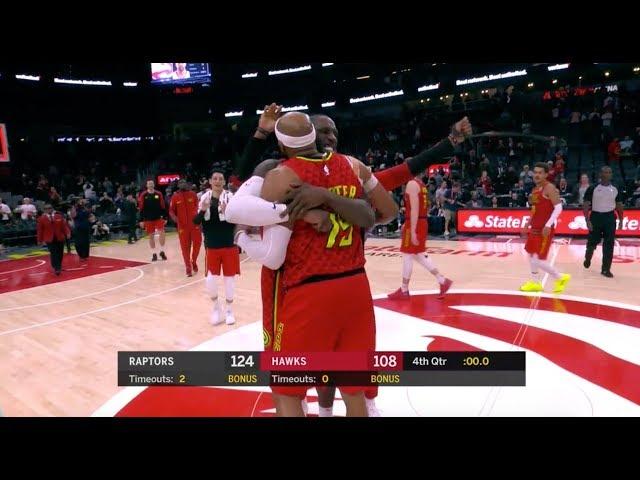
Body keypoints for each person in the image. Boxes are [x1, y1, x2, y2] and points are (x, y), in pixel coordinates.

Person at [258, 112, 377, 417]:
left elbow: (239, 217)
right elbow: (372, 215)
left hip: (310, 289)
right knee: (354, 391)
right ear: (313, 135)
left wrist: (305, 209)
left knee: (287, 389)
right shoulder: (348, 166)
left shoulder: (282, 176)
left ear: (282, 147)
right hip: (355, 287)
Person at [388, 175, 452, 300]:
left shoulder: (411, 184)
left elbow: (414, 210)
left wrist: (411, 230)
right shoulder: (421, 185)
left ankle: (404, 289)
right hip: (421, 222)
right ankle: (443, 281)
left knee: (407, 255)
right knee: (419, 254)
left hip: (415, 222)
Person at [193, 171, 239, 325]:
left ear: (224, 181)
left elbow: (235, 222)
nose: (217, 181)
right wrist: (203, 210)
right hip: (211, 246)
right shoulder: (203, 198)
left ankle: (229, 310)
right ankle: (216, 308)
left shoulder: (231, 198)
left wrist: (228, 213)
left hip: (228, 245)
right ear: (210, 181)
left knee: (229, 280)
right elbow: (195, 221)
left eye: (220, 179)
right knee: (210, 280)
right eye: (215, 178)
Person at [519, 163, 571, 293]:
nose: (536, 175)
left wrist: (548, 225)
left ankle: (560, 277)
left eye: (540, 172)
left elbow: (558, 207)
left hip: (544, 230)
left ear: (546, 174)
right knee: (531, 255)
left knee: (539, 260)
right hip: (534, 228)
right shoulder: (535, 189)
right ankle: (536, 283)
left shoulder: (550, 188)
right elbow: (534, 210)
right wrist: (527, 224)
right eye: (535, 172)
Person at [583, 166, 625, 278]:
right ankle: (588, 256)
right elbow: (586, 204)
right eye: (605, 172)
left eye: (609, 172)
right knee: (592, 241)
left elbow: (619, 205)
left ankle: (606, 269)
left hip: (610, 218)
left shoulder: (615, 188)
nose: (607, 174)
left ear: (611, 175)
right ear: (600, 174)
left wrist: (621, 220)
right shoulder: (593, 188)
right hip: (596, 217)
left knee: (609, 244)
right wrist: (587, 220)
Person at [169, 178, 202, 277]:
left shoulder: (193, 194)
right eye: (180, 183)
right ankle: (188, 267)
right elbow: (171, 210)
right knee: (185, 248)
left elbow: (198, 206)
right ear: (178, 185)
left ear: (186, 184)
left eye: (184, 182)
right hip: (182, 227)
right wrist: (176, 219)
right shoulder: (175, 197)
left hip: (194, 225)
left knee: (197, 244)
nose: (182, 184)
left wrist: (197, 217)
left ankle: (194, 261)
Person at [37, 204, 70, 276]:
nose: (48, 209)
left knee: (60, 253)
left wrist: (67, 233)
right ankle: (56, 268)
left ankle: (59, 265)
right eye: (46, 208)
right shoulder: (41, 219)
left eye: (50, 208)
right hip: (49, 239)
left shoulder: (59, 216)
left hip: (60, 237)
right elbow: (40, 230)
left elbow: (64, 226)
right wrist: (40, 240)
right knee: (53, 253)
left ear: (52, 209)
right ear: (44, 210)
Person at [138, 180, 167, 262]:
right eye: (149, 184)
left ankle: (162, 251)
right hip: (148, 219)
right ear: (147, 185)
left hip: (158, 218)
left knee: (162, 233)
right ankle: (154, 254)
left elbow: (163, 206)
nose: (150, 185)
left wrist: (165, 217)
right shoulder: (143, 195)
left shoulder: (159, 194)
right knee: (151, 236)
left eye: (152, 184)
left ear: (154, 185)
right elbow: (141, 208)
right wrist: (141, 220)